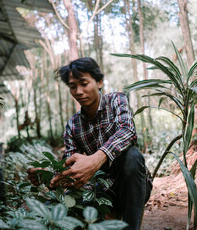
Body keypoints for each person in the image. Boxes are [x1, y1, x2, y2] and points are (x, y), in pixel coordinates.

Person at [28, 57, 152, 230]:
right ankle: (108, 213)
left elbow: (128, 131)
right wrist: (50, 174)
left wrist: (97, 158)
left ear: (99, 82)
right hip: (99, 190)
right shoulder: (73, 125)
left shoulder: (116, 100)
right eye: (73, 86)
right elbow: (70, 165)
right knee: (57, 208)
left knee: (132, 156)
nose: (78, 91)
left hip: (133, 185)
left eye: (84, 83)